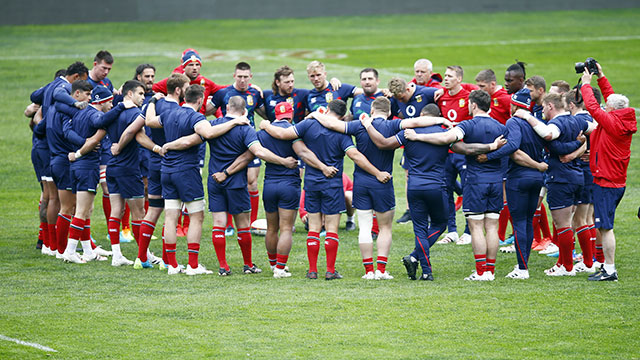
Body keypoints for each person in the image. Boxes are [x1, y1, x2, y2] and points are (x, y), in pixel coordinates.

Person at [260, 99, 391, 280]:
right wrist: (376, 172)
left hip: (312, 183)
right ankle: (330, 271)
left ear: (327, 109)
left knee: (313, 227)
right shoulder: (341, 132)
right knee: (331, 229)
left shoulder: (308, 124)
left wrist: (266, 125)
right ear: (343, 116)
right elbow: (354, 155)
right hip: (333, 183)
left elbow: (285, 136)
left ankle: (312, 270)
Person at [330, 99, 452, 280]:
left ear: (372, 110)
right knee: (385, 228)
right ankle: (381, 270)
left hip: (361, 182)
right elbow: (416, 121)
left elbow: (332, 124)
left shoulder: (358, 125)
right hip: (383, 182)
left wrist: (316, 116)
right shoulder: (394, 125)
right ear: (388, 112)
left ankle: (368, 271)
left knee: (364, 227)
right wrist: (440, 120)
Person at [404, 90, 507, 281]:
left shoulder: (467, 125)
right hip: (496, 181)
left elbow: (445, 139)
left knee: (476, 226)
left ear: (474, 105)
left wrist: (418, 137)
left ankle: (480, 271)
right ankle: (490, 272)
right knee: (492, 226)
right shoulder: (500, 126)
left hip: (476, 181)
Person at [156, 87, 254, 275]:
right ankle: (193, 266)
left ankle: (172, 265)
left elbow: (150, 121)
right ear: (201, 100)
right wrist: (236, 123)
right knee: (196, 216)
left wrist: (153, 102)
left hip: (166, 170)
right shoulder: (197, 119)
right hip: (185, 172)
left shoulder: (167, 113)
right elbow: (205, 135)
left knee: (170, 217)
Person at [514, 92, 595, 276]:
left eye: (543, 107)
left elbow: (549, 135)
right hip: (577, 177)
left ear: (550, 106)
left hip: (561, 178)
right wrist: (584, 147)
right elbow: (598, 128)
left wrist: (527, 116)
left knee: (563, 225)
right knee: (574, 221)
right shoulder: (578, 121)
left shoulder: (556, 123)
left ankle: (567, 268)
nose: (542, 111)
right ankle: (575, 264)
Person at [257, 102, 338, 278]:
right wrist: (323, 167)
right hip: (289, 184)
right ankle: (280, 268)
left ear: (276, 115)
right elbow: (304, 153)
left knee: (271, 228)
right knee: (286, 228)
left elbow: (252, 153)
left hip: (269, 184)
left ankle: (273, 265)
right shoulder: (294, 131)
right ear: (291, 115)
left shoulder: (264, 132)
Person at [478, 88, 548, 279]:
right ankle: (523, 265)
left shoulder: (513, 121)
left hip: (519, 179)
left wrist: (489, 155)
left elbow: (513, 146)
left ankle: (522, 269)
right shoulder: (537, 123)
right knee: (527, 222)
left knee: (519, 223)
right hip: (537, 179)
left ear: (514, 105)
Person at [100, 80, 165, 267]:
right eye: (140, 94)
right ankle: (144, 256)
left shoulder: (114, 113)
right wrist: (156, 148)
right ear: (129, 94)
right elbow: (136, 135)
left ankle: (116, 255)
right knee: (139, 213)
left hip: (112, 167)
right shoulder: (136, 114)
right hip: (128, 169)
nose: (143, 98)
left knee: (116, 211)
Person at [581, 63, 636, 281]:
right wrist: (601, 77)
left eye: (607, 107)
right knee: (603, 224)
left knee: (605, 228)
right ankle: (605, 265)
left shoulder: (611, 121)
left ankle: (610, 270)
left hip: (606, 182)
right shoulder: (622, 118)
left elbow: (593, 107)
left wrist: (586, 85)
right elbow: (609, 98)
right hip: (615, 181)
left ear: (612, 111)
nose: (604, 108)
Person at [32, 62, 89, 257]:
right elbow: (58, 97)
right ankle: (58, 247)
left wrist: (38, 116)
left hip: (43, 149)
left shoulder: (51, 101)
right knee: (60, 201)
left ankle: (47, 243)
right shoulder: (61, 94)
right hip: (55, 155)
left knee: (48, 197)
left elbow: (34, 99)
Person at [136, 73, 191, 269]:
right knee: (171, 213)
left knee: (153, 210)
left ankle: (141, 258)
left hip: (153, 162)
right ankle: (168, 262)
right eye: (186, 88)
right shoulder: (177, 111)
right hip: (171, 164)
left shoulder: (155, 105)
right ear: (178, 90)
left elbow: (139, 131)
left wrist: (154, 148)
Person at [61, 85, 118, 263]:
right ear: (103, 101)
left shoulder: (80, 112)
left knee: (86, 210)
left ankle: (88, 251)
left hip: (77, 168)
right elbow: (94, 137)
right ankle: (70, 251)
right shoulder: (97, 115)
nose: (112, 105)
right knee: (82, 211)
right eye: (110, 102)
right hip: (87, 166)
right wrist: (80, 152)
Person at [208, 62, 266, 226]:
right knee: (228, 181)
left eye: (245, 77)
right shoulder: (223, 93)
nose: (242, 80)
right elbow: (205, 111)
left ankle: (252, 221)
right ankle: (228, 225)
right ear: (234, 76)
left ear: (251, 77)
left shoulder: (255, 93)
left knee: (251, 182)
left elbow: (265, 113)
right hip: (230, 144)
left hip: (249, 141)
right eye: (239, 76)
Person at [388, 77, 437, 225]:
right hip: (411, 142)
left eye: (402, 98)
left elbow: (447, 96)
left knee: (432, 175)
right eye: (397, 99)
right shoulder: (396, 98)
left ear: (408, 89)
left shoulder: (427, 93)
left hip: (430, 142)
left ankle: (432, 211)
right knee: (409, 175)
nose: (401, 101)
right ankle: (411, 211)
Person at [436, 66, 476, 245]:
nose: (445, 79)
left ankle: (469, 231)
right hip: (446, 152)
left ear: (459, 79)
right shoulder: (440, 96)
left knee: (468, 189)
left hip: (463, 152)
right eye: (445, 76)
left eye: (450, 76)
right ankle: (451, 230)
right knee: (446, 190)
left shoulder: (469, 97)